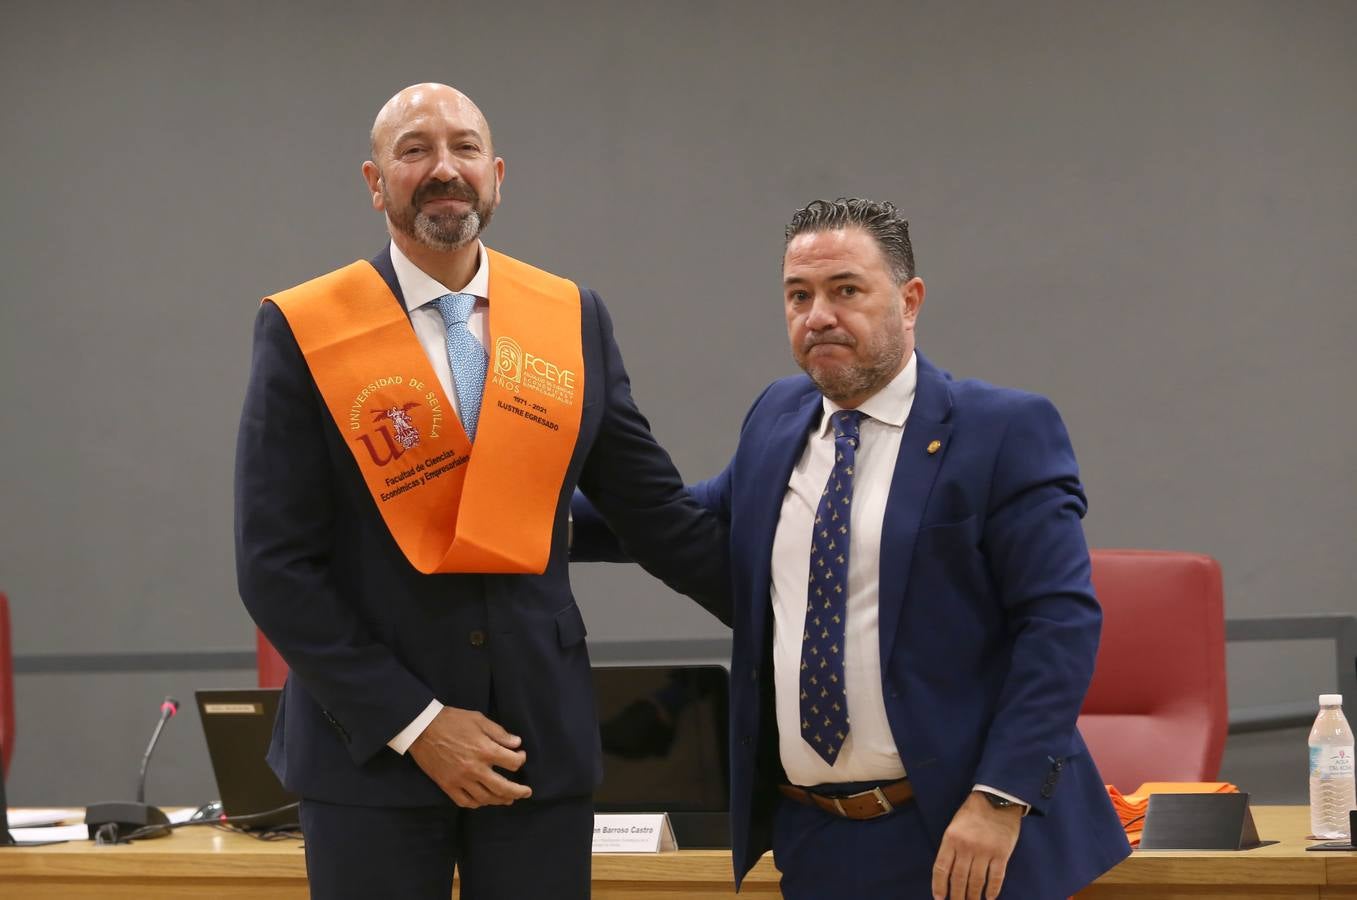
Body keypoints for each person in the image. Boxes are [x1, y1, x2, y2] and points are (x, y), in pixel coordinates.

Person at [234, 82, 729, 900]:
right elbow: (273, 566)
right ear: (374, 181)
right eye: (414, 149)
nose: (444, 168)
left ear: (496, 174)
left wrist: (798, 624)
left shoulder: (569, 316)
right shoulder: (305, 327)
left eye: (464, 148)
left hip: (535, 745)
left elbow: (656, 516)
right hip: (371, 757)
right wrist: (417, 725)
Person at [572, 198, 1131, 898]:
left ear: (909, 300)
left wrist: (999, 798)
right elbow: (676, 516)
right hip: (817, 838)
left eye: (845, 290)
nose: (818, 316)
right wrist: (522, 521)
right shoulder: (776, 420)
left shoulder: (1000, 430)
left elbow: (1059, 624)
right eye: (798, 295)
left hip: (962, 834)